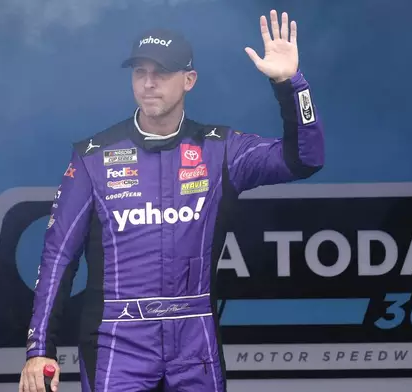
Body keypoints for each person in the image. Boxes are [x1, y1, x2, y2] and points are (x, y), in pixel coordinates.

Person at [19, 9, 325, 392]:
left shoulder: (221, 149)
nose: (149, 83)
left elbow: (305, 159)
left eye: (161, 73)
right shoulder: (92, 157)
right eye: (139, 73)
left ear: (189, 80)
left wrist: (290, 84)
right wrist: (39, 348)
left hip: (194, 341)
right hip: (118, 341)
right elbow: (58, 256)